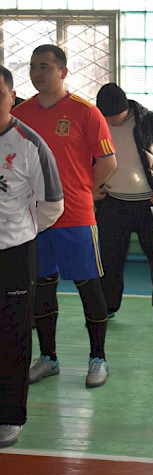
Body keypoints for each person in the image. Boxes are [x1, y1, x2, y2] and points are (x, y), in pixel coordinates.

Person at [13, 44, 118, 389]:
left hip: (75, 217)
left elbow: (108, 163)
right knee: (42, 287)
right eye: (33, 66)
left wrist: (84, 189)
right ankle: (48, 358)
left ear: (63, 72)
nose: (37, 73)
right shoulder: (20, 114)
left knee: (89, 287)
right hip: (33, 220)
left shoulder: (86, 112)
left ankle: (98, 358)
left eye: (45, 66)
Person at [0, 65, 63, 448]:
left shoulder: (29, 143)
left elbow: (52, 203)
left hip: (14, 255)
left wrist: (20, 231)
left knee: (13, 336)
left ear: (12, 97)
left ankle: (10, 416)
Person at [94, 83, 153, 329]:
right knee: (109, 260)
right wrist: (92, 187)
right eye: (105, 115)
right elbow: (86, 158)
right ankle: (108, 307)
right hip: (112, 203)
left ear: (126, 108)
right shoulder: (97, 123)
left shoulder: (151, 122)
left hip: (148, 204)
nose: (109, 120)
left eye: (114, 115)